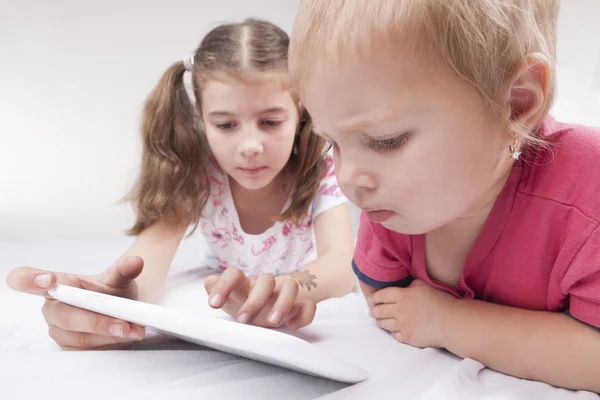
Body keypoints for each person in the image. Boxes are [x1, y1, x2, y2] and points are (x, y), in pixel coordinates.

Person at [288, 0, 600, 393]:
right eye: (332, 143)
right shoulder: (392, 201)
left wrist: (450, 323)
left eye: (386, 141)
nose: (349, 177)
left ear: (517, 102)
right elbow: (387, 304)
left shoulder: (588, 194)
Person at [6, 18, 355, 351]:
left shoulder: (318, 166)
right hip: (228, 304)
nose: (250, 146)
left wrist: (281, 290)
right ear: (201, 118)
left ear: (300, 110)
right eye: (226, 125)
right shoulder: (202, 172)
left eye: (270, 121)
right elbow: (152, 253)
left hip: (306, 311)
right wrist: (113, 299)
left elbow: (339, 263)